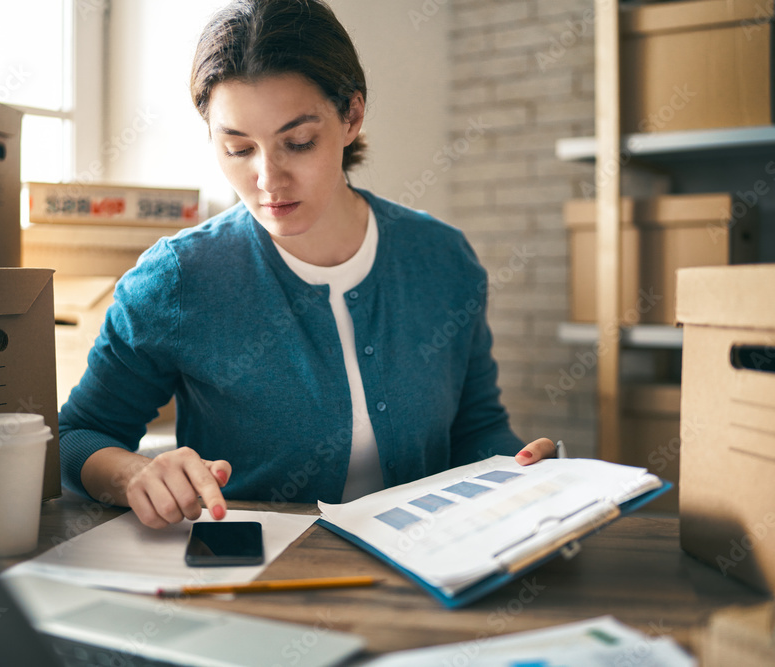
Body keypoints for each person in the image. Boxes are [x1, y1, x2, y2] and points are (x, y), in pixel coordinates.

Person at [58, 0, 556, 529]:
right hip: (252, 583)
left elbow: (477, 428)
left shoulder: (441, 259)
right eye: (238, 149)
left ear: (352, 117)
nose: (269, 180)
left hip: (425, 583)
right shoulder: (180, 277)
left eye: (297, 143)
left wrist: (522, 471)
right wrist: (136, 474)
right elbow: (77, 437)